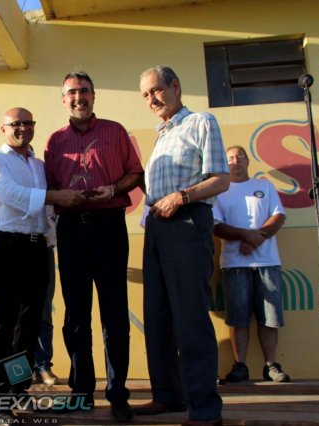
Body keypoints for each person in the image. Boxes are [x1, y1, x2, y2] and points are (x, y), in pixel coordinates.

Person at [44, 71, 144, 422]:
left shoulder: (115, 131)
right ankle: (81, 391)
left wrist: (114, 189)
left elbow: (135, 173)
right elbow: (49, 189)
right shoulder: (54, 141)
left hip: (109, 226)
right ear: (64, 99)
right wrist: (63, 197)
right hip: (71, 229)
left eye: (84, 91)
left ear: (93, 95)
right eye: (72, 92)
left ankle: (117, 393)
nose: (78, 97)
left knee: (114, 313)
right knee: (76, 315)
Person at [136, 65, 230, 426]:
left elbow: (220, 179)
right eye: (145, 94)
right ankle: (167, 396)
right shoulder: (161, 135)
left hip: (188, 221)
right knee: (157, 316)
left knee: (190, 318)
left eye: (156, 90)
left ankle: (205, 411)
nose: (151, 99)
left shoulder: (200, 122)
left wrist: (182, 196)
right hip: (157, 229)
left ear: (175, 86)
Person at [0, 107, 82, 422]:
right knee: (3, 324)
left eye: (27, 123)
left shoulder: (39, 165)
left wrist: (50, 239)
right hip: (7, 246)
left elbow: (47, 212)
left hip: (37, 249)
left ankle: (18, 389)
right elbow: (9, 194)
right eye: (16, 123)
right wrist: (55, 196)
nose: (22, 128)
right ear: (3, 128)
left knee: (28, 326)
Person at [213, 145, 290, 383]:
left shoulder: (265, 186)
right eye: (230, 158)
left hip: (268, 263)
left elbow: (278, 216)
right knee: (238, 318)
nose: (235, 161)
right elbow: (216, 226)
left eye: (239, 156)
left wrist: (258, 238)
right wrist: (247, 236)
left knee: (270, 318)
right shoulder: (219, 191)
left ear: (247, 161)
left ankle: (271, 365)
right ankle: (240, 366)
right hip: (234, 264)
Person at [33, 205, 59, 386]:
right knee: (15, 318)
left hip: (45, 246)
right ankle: (21, 372)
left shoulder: (51, 187)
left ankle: (43, 366)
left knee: (43, 311)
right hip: (14, 243)